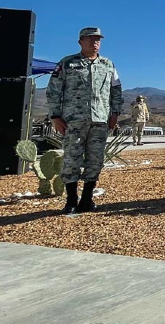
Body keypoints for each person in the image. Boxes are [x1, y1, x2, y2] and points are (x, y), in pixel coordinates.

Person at [46, 27, 123, 215]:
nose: (94, 42)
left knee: (95, 160)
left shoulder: (108, 64)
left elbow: (116, 91)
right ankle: (71, 199)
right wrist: (55, 116)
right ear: (80, 41)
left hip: (100, 120)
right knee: (71, 159)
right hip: (73, 120)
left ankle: (87, 198)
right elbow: (54, 90)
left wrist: (115, 113)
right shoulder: (68, 63)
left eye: (97, 39)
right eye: (89, 39)